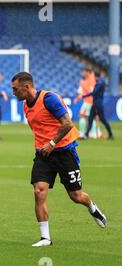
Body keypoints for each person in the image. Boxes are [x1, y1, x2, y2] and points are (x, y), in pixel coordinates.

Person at [11, 72, 107, 247]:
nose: (13, 93)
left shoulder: (49, 99)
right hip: (44, 154)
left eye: (15, 89)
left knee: (76, 195)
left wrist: (52, 143)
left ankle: (92, 207)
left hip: (64, 151)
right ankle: (45, 238)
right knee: (39, 191)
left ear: (26, 87)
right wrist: (44, 146)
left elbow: (68, 123)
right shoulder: (26, 105)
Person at [83, 72, 114, 140]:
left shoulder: (99, 83)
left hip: (97, 104)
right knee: (91, 119)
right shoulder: (101, 82)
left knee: (102, 119)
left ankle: (111, 135)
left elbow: (94, 92)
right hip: (96, 104)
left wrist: (85, 95)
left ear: (95, 76)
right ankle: (86, 135)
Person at [74, 68, 100, 139]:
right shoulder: (94, 80)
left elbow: (82, 93)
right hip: (94, 102)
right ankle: (93, 133)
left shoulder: (86, 82)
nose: (83, 73)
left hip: (88, 102)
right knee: (92, 117)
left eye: (84, 72)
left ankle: (82, 133)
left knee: (82, 116)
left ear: (88, 72)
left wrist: (77, 99)